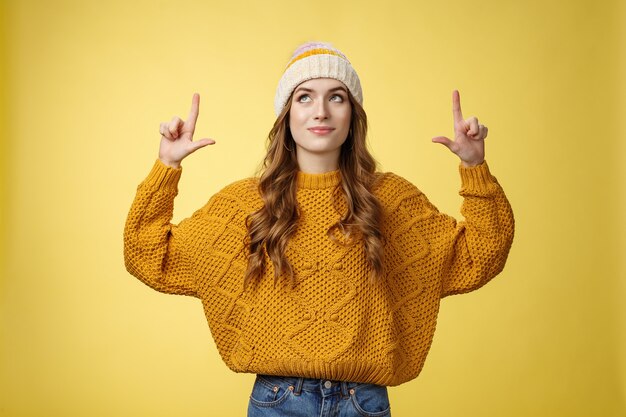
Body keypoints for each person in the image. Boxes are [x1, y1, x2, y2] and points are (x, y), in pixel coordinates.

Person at [123, 41, 514, 417]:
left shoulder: (391, 199)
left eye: (337, 97)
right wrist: (167, 167)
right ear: (287, 114)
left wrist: (474, 166)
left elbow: (483, 251)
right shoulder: (244, 205)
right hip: (277, 402)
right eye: (304, 96)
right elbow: (147, 254)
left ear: (352, 115)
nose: (321, 111)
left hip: (365, 403)